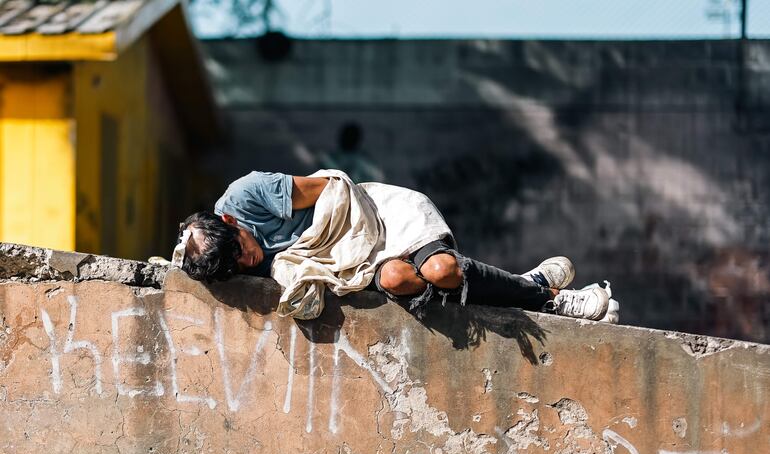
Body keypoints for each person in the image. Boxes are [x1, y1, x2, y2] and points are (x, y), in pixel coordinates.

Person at [176, 171, 610, 321]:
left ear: (230, 222)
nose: (245, 260)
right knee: (399, 278)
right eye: (233, 266)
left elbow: (336, 193)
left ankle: (548, 299)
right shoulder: (224, 261)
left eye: (239, 247)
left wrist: (310, 252)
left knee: (442, 272)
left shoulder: (249, 194)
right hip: (355, 265)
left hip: (377, 217)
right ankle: (528, 283)